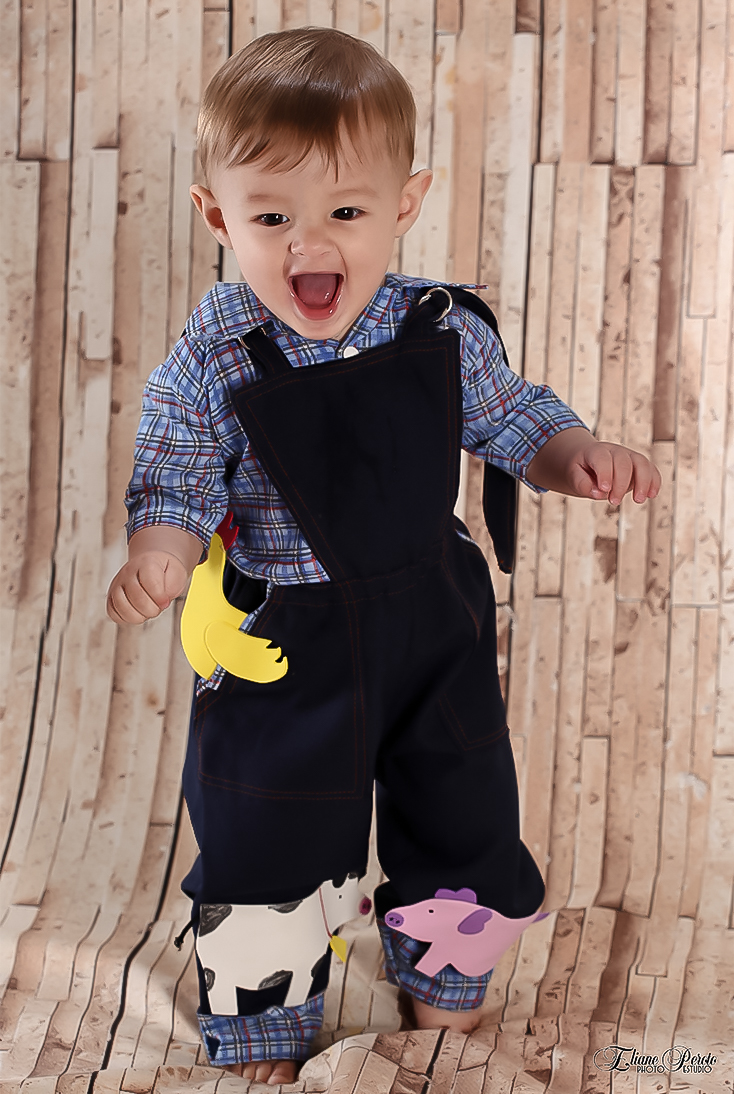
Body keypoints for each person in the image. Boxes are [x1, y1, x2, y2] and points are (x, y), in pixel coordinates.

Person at [106, 26, 661, 1086]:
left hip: (430, 621)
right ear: (217, 216)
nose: (309, 244)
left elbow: (510, 418)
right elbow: (176, 475)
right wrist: (161, 550)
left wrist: (574, 453)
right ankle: (267, 1011)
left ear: (405, 204)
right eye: (272, 217)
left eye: (345, 213)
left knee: (461, 800)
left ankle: (444, 971)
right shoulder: (213, 356)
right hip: (284, 639)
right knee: (264, 823)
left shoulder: (440, 327)